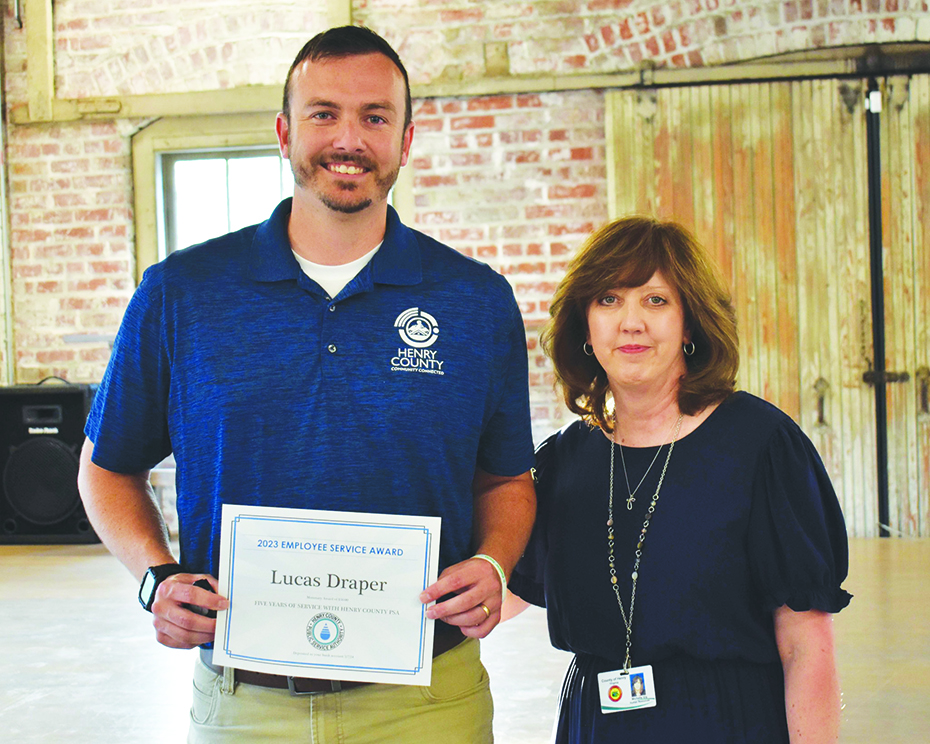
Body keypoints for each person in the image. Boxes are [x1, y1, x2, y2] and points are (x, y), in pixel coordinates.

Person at [78, 26, 535, 743]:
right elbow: (106, 471)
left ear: (406, 140)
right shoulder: (182, 294)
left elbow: (506, 480)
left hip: (429, 703)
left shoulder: (475, 301)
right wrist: (156, 576)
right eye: (324, 113)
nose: (348, 138)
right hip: (243, 704)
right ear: (286, 131)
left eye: (374, 117)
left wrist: (493, 562)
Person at [505, 216, 851, 743]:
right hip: (598, 725)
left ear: (690, 324)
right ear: (585, 328)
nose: (631, 322)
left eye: (656, 301)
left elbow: (806, 644)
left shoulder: (760, 446)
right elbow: (503, 589)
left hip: (726, 722)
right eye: (608, 300)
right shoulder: (565, 461)